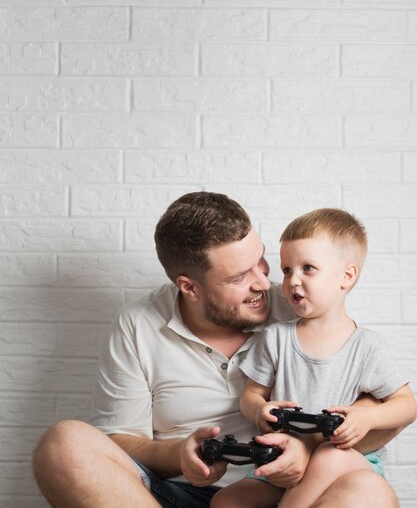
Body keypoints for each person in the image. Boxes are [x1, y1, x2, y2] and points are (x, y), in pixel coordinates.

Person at [32, 192, 405, 508]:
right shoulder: (138, 324)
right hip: (178, 494)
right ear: (189, 287)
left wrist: (310, 448)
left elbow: (380, 397)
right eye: (239, 277)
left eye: (260, 260)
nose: (265, 282)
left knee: (368, 492)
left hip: (294, 491)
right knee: (63, 445)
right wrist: (180, 454)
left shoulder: (299, 302)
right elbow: (118, 442)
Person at [211, 208, 416, 508]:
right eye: (286, 270)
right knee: (226, 501)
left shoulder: (367, 346)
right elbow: (251, 395)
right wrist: (259, 410)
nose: (293, 280)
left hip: (345, 460)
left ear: (346, 276)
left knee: (328, 456)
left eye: (308, 268)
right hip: (286, 460)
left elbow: (407, 405)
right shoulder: (276, 338)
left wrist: (366, 417)